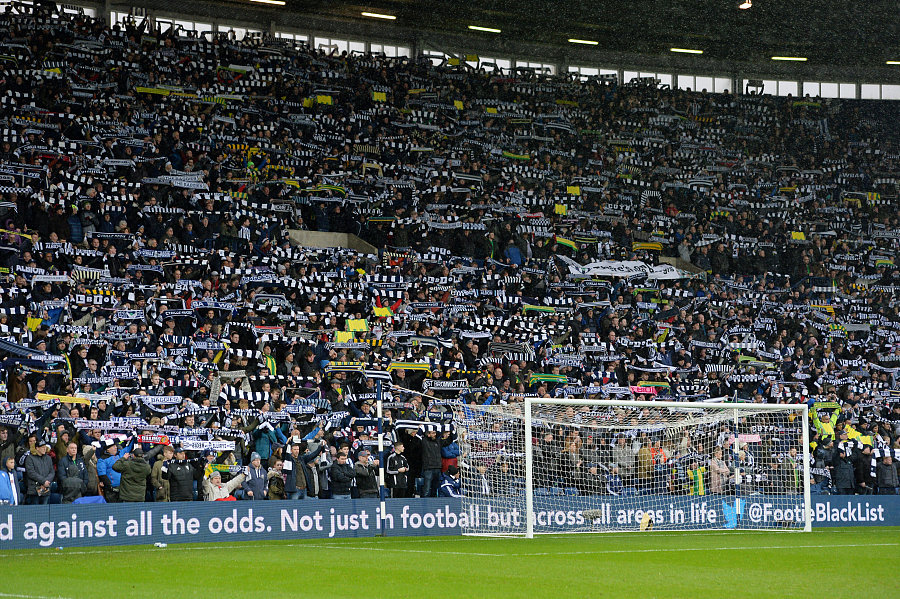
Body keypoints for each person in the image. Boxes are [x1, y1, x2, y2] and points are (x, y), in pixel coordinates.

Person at [24, 439, 54, 505]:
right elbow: (31, 473)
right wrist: (43, 481)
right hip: (34, 490)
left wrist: (47, 481)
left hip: (46, 489)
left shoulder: (48, 458)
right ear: (37, 448)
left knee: (45, 510)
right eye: (42, 447)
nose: (44, 449)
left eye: (45, 447)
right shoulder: (30, 458)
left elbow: (52, 472)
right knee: (36, 512)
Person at [420, 428, 443, 497]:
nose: (434, 435)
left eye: (435, 433)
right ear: (428, 434)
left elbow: (448, 441)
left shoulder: (438, 442)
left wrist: (452, 432)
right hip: (428, 468)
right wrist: (421, 429)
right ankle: (424, 505)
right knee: (427, 489)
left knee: (435, 489)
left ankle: (434, 505)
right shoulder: (424, 441)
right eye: (432, 433)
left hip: (438, 467)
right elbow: (419, 436)